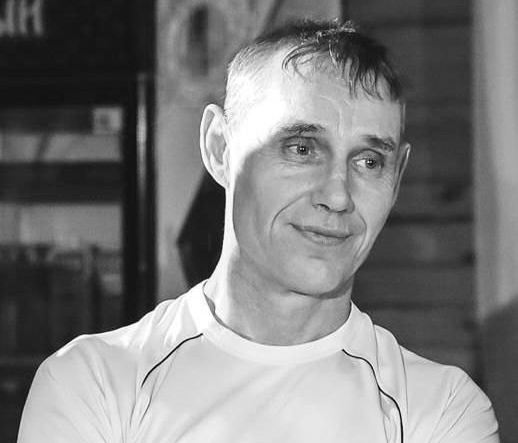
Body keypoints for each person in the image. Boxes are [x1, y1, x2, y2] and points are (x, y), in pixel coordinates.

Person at [18, 19, 499, 443]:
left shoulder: (439, 411)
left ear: (398, 177)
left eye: (370, 161)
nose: (338, 196)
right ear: (219, 147)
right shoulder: (95, 385)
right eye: (301, 148)